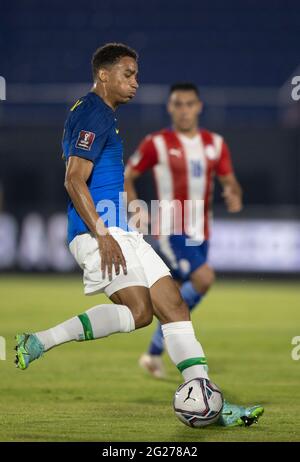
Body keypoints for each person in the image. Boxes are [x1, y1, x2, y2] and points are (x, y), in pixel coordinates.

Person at [15, 46, 262, 427]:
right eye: (128, 74)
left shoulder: (104, 116)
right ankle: (39, 341)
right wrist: (102, 234)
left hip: (121, 231)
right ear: (104, 76)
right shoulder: (92, 112)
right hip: (97, 232)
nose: (136, 82)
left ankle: (206, 399)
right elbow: (73, 178)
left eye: (135, 74)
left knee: (174, 306)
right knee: (140, 312)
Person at [125, 82, 243, 378]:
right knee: (204, 278)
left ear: (199, 107)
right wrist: (136, 205)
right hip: (171, 228)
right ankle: (165, 353)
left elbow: (230, 180)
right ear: (170, 107)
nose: (184, 110)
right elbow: (129, 176)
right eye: (178, 104)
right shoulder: (156, 143)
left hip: (202, 230)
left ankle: (152, 354)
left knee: (175, 297)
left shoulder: (215, 143)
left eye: (189, 104)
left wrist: (234, 193)